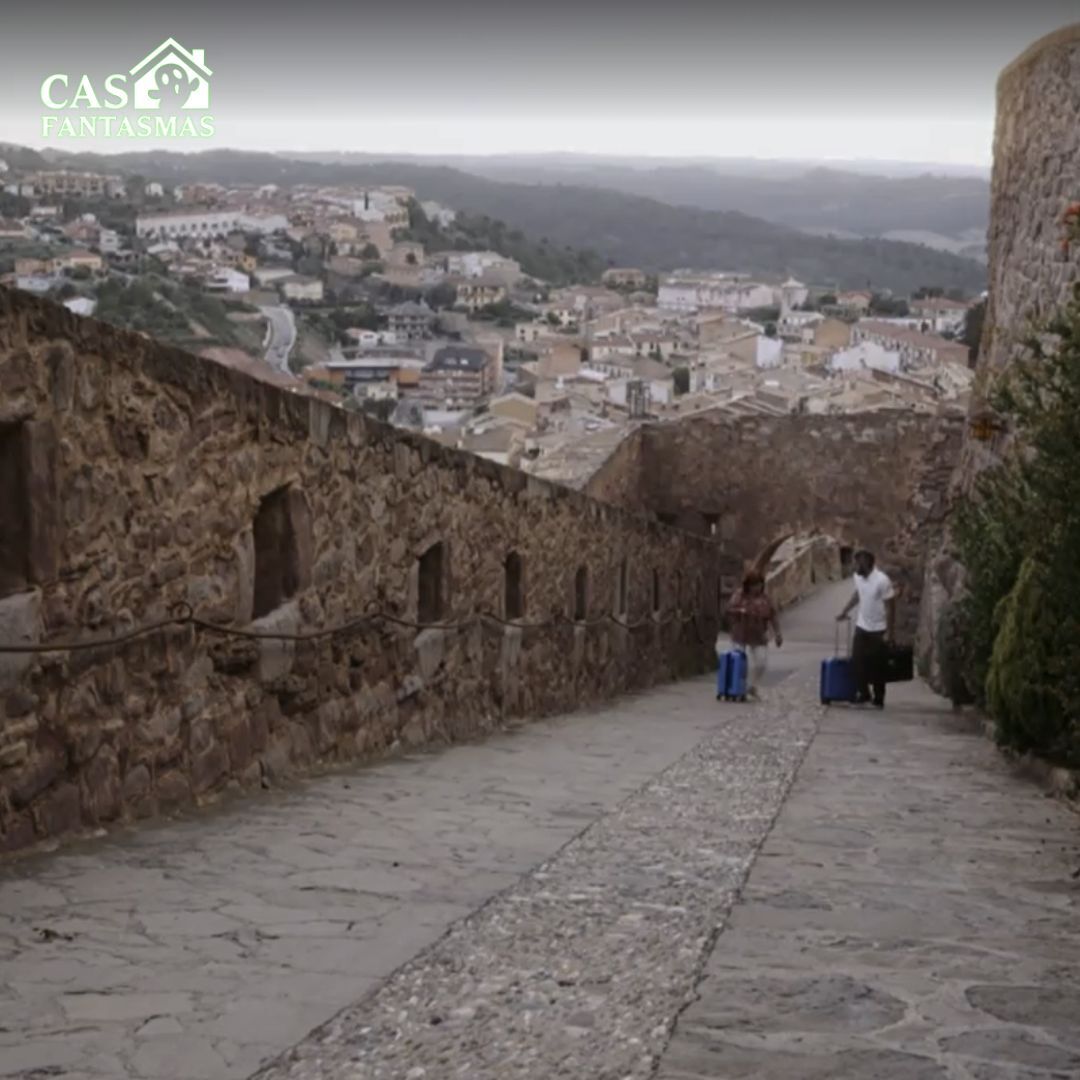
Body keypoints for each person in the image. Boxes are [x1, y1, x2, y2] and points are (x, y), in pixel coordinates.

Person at [836, 549, 896, 708]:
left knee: (877, 665)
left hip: (879, 628)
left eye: (858, 562)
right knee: (857, 661)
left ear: (867, 563)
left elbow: (891, 607)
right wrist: (844, 611)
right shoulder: (858, 577)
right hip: (862, 626)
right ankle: (863, 693)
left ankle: (879, 698)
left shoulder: (882, 580)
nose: (855, 566)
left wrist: (890, 632)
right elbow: (858, 594)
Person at [724, 571, 783, 699]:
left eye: (760, 585)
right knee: (739, 663)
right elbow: (729, 609)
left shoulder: (765, 599)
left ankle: (752, 686)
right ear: (748, 585)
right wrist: (740, 611)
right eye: (755, 585)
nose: (758, 588)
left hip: (758, 636)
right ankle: (738, 687)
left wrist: (778, 633)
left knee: (761, 662)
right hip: (740, 634)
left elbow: (773, 616)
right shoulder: (739, 595)